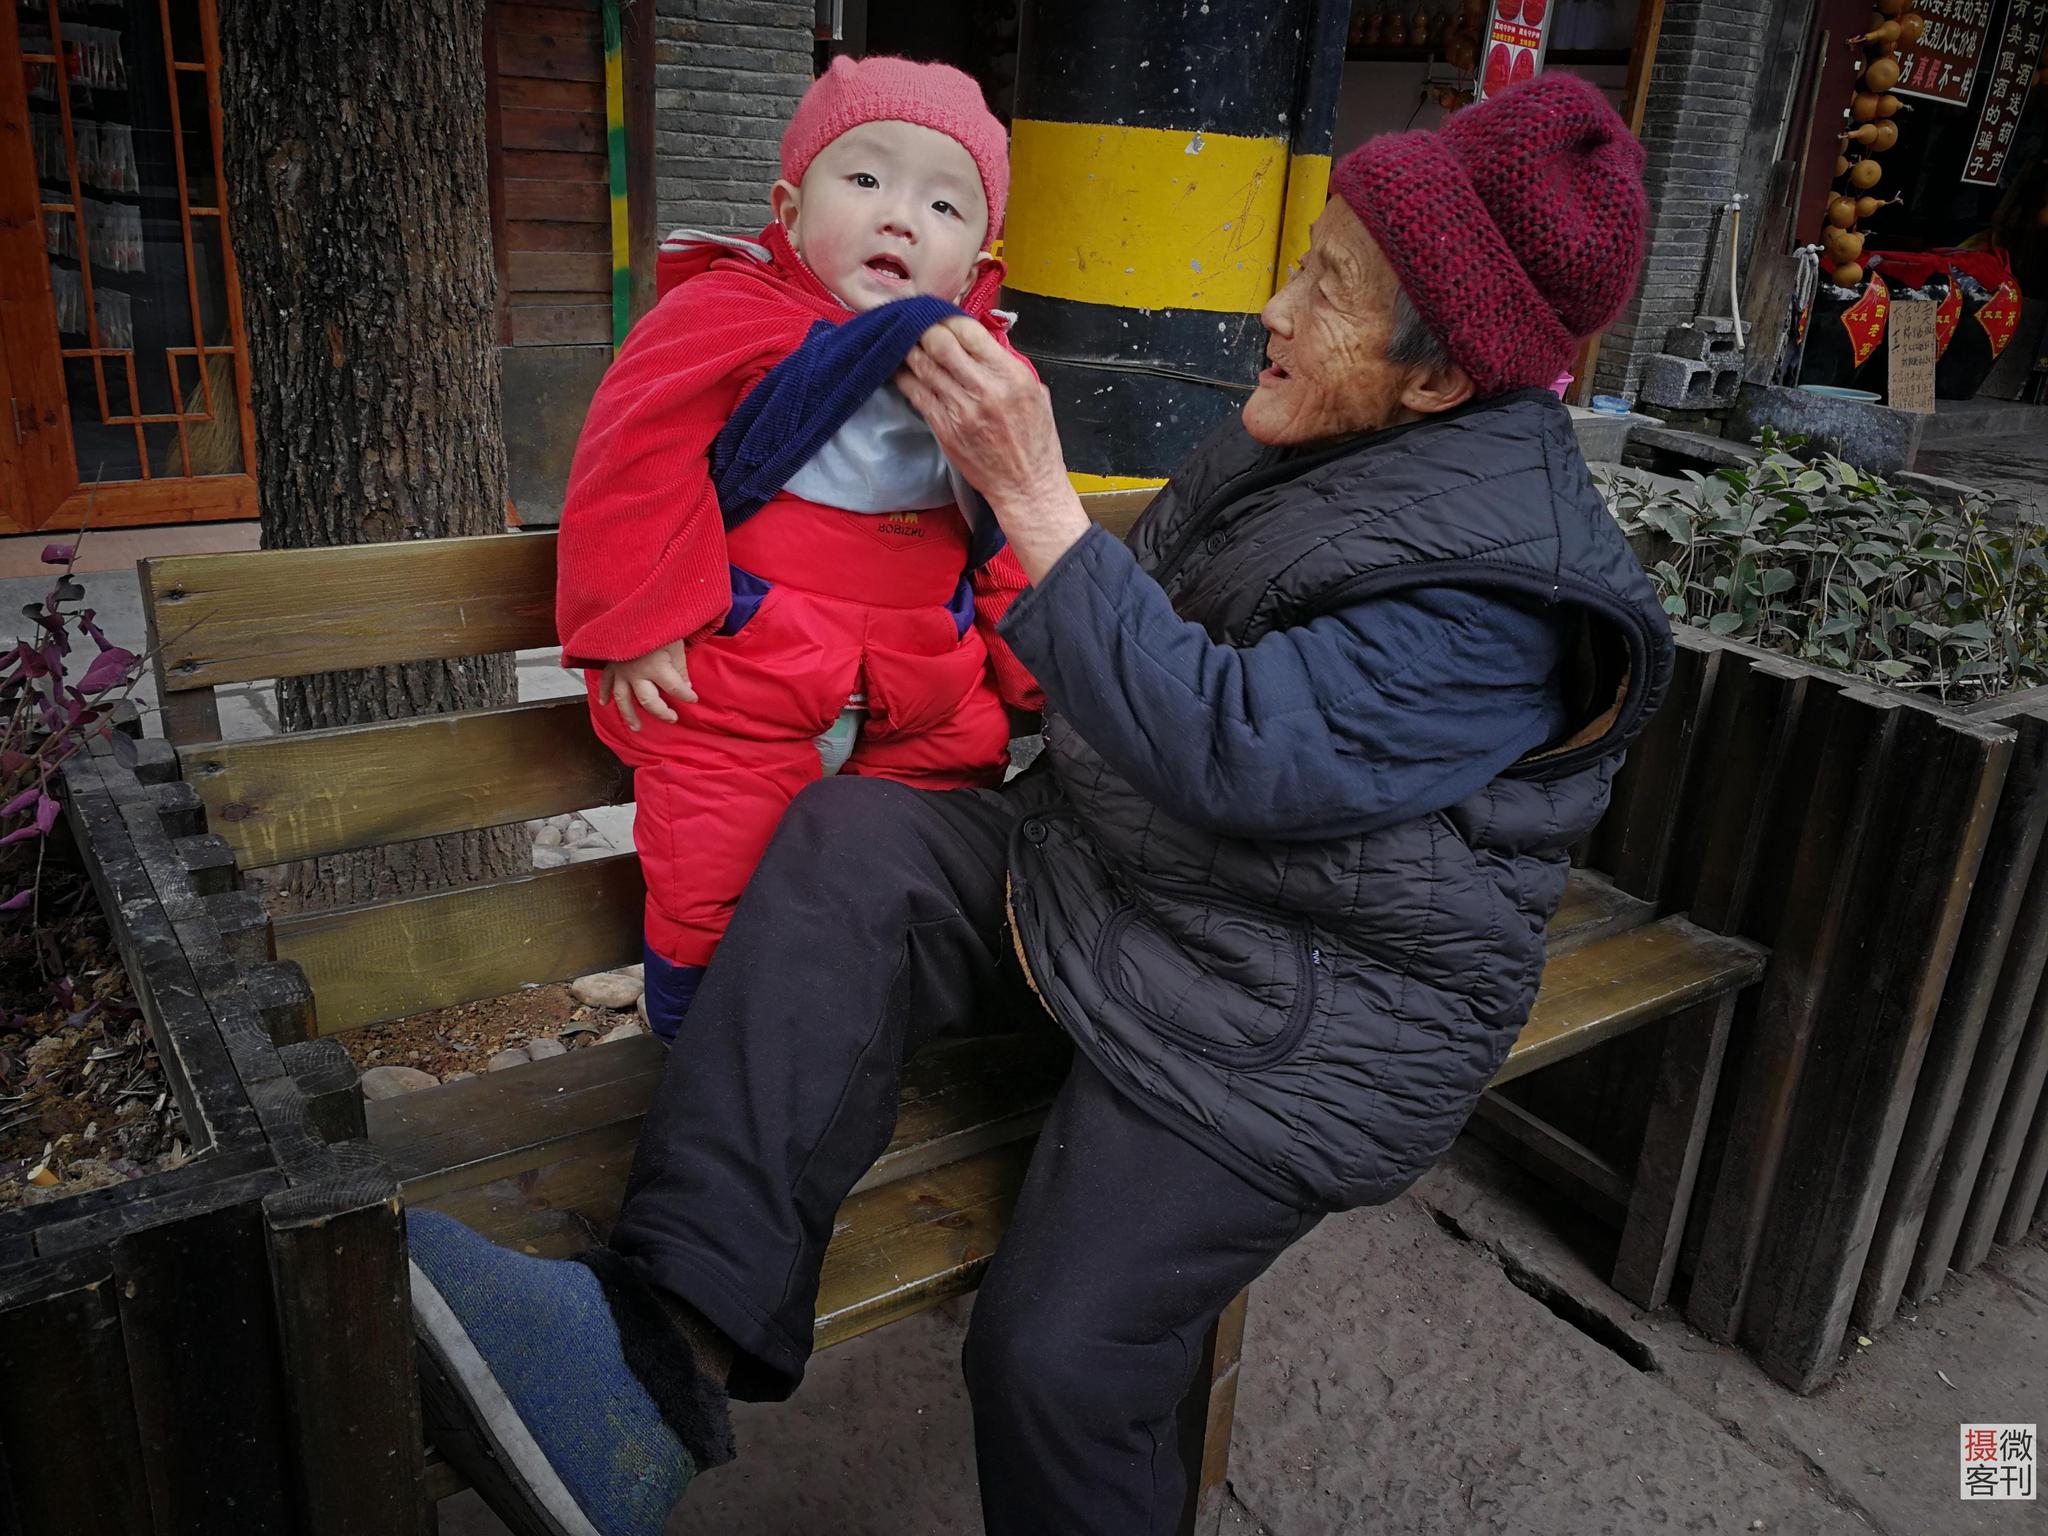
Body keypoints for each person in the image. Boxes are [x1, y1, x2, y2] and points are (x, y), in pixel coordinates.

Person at [407, 73, 1667, 1536]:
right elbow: (1126, 640)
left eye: (1324, 286)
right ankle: (644, 1368)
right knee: (854, 843)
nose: (1269, 309)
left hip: (1291, 1013)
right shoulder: (1335, 432)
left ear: (1439, 379)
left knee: (1059, 1360)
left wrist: (1032, 500)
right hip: (1116, 884)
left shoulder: (1507, 591)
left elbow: (1239, 748)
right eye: (1302, 261)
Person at [553, 56, 1043, 1040]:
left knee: (918, 850)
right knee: (714, 868)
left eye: (943, 204)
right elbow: (633, 461)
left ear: (977, 258)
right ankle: (708, 1044)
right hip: (744, 676)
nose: (900, 218)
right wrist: (637, 622)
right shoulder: (726, 315)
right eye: (864, 179)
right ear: (789, 206)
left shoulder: (984, 364)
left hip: (924, 682)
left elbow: (1005, 522)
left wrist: (1033, 658)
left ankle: (870, 1028)